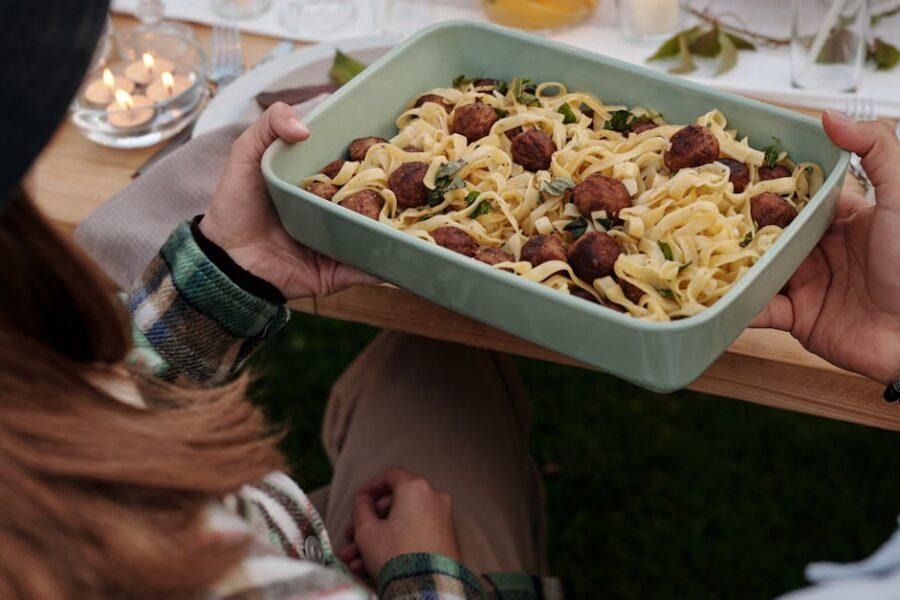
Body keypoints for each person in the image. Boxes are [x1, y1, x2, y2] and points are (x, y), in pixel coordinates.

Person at [2, 4, 898, 600]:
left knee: (422, 354)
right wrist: (427, 572)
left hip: (282, 517)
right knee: (442, 381)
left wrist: (230, 273)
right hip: (376, 569)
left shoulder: (37, 413)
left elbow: (87, 402)